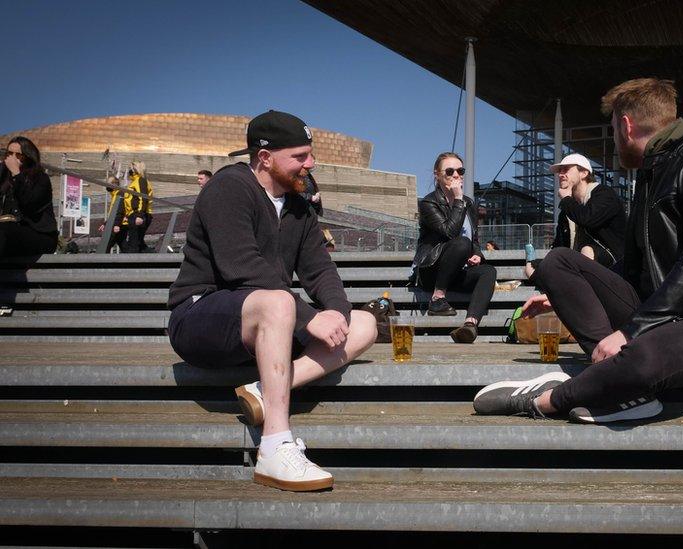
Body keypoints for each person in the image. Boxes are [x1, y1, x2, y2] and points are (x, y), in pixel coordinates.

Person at [473, 78, 683, 424]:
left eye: (612, 129)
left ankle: (546, 400)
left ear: (625, 125)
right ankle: (617, 386)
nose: (613, 139)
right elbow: (632, 268)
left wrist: (629, 331)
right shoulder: (649, 178)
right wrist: (563, 294)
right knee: (558, 262)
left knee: (644, 355)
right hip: (656, 312)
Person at [167, 110, 377, 491]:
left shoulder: (298, 206)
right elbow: (240, 267)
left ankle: (264, 391)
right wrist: (307, 317)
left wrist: (334, 312)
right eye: (299, 156)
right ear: (265, 158)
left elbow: (321, 271)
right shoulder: (228, 187)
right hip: (202, 315)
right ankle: (275, 446)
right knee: (280, 301)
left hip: (269, 319)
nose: (309, 164)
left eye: (309, 154)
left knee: (364, 324)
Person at [411, 152, 498, 343]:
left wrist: (477, 255)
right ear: (437, 175)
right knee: (461, 243)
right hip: (432, 271)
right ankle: (437, 299)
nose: (456, 175)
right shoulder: (429, 202)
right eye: (449, 171)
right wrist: (458, 199)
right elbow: (449, 233)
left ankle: (470, 325)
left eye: (460, 170)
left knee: (489, 271)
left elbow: (473, 238)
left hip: (458, 270)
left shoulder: (469, 203)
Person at [523, 153, 626, 282]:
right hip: (578, 267)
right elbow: (559, 248)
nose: (560, 174)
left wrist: (566, 199)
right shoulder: (568, 210)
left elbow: (588, 219)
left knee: (587, 251)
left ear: (583, 173)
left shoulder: (604, 194)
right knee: (532, 268)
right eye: (560, 171)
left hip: (616, 265)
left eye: (566, 169)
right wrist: (538, 266)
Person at [0, 136, 58, 257]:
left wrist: (16, 173)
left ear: (28, 157)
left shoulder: (40, 178)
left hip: (38, 234)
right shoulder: (4, 178)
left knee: (4, 231)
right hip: (9, 232)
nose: (13, 158)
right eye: (9, 154)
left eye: (18, 155)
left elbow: (29, 202)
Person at [117, 161, 153, 253]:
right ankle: (154, 260)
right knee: (139, 243)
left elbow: (143, 198)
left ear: (135, 170)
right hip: (133, 214)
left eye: (131, 169)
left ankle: (131, 264)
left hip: (138, 214)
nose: (129, 171)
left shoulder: (141, 180)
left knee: (134, 243)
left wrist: (140, 215)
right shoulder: (135, 182)